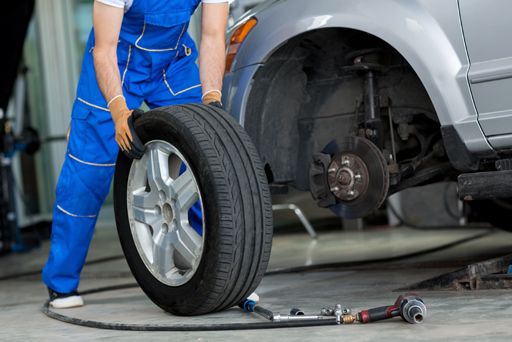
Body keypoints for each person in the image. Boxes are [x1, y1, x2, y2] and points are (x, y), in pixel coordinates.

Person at [42, 0, 229, 309]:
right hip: (116, 63)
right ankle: (61, 282)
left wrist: (212, 100)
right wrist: (117, 111)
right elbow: (103, 49)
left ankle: (224, 273)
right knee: (87, 173)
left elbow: (212, 35)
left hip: (173, 64)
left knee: (207, 157)